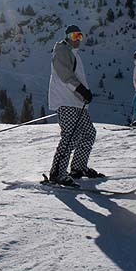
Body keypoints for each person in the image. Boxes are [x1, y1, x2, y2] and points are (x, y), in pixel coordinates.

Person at [47, 25, 104, 187]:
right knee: (71, 135)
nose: (77, 40)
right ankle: (57, 173)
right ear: (67, 37)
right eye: (74, 36)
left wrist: (83, 93)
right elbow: (64, 73)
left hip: (77, 102)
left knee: (88, 133)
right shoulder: (62, 50)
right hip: (66, 100)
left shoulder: (73, 53)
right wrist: (80, 89)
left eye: (80, 36)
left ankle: (78, 168)